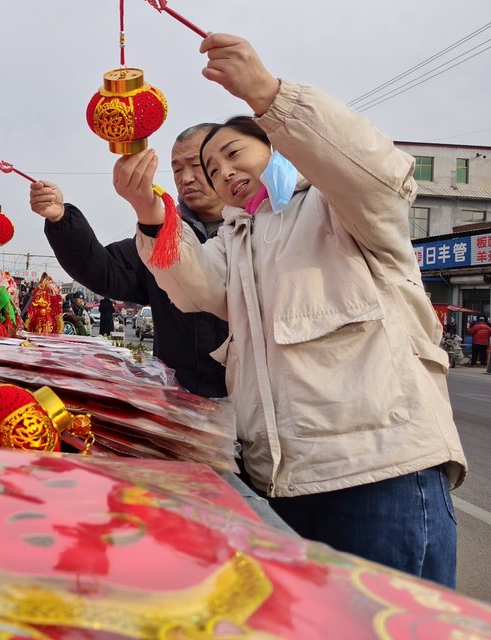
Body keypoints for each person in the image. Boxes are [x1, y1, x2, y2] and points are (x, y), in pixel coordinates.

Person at [118, 32, 466, 587]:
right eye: (212, 171)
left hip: (379, 471)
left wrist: (271, 97)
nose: (224, 173)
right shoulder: (236, 237)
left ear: (276, 146)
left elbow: (375, 170)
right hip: (282, 479)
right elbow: (196, 287)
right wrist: (150, 214)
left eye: (235, 153)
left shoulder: (339, 204)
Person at [29, 125, 229, 398]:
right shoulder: (158, 238)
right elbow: (101, 269)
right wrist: (61, 218)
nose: (187, 178)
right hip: (182, 401)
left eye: (196, 165)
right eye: (177, 169)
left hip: (262, 406)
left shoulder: (257, 232)